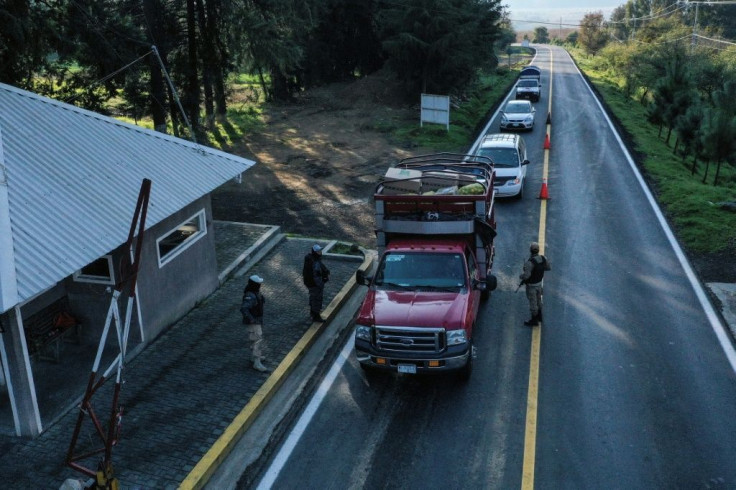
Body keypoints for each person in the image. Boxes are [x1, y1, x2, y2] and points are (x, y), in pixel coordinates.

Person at [240, 274, 270, 372]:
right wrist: (251, 319)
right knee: (257, 341)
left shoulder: (255, 292)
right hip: (254, 322)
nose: (260, 285)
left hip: (257, 320)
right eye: (258, 283)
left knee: (255, 340)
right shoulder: (250, 295)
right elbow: (244, 308)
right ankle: (257, 363)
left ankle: (254, 357)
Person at [519, 242, 551, 327]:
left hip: (532, 286)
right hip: (539, 284)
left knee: (533, 303)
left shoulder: (530, 263)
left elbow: (526, 276)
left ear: (530, 250)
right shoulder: (543, 258)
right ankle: (540, 316)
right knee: (539, 301)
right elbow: (548, 268)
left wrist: (521, 276)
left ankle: (534, 320)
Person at [303, 244, 330, 322]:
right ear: (315, 252)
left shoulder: (312, 259)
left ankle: (313, 312)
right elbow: (316, 275)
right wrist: (321, 284)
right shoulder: (314, 262)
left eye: (320, 250)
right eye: (318, 251)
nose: (320, 252)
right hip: (315, 285)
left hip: (311, 284)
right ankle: (316, 316)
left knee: (313, 298)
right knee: (317, 299)